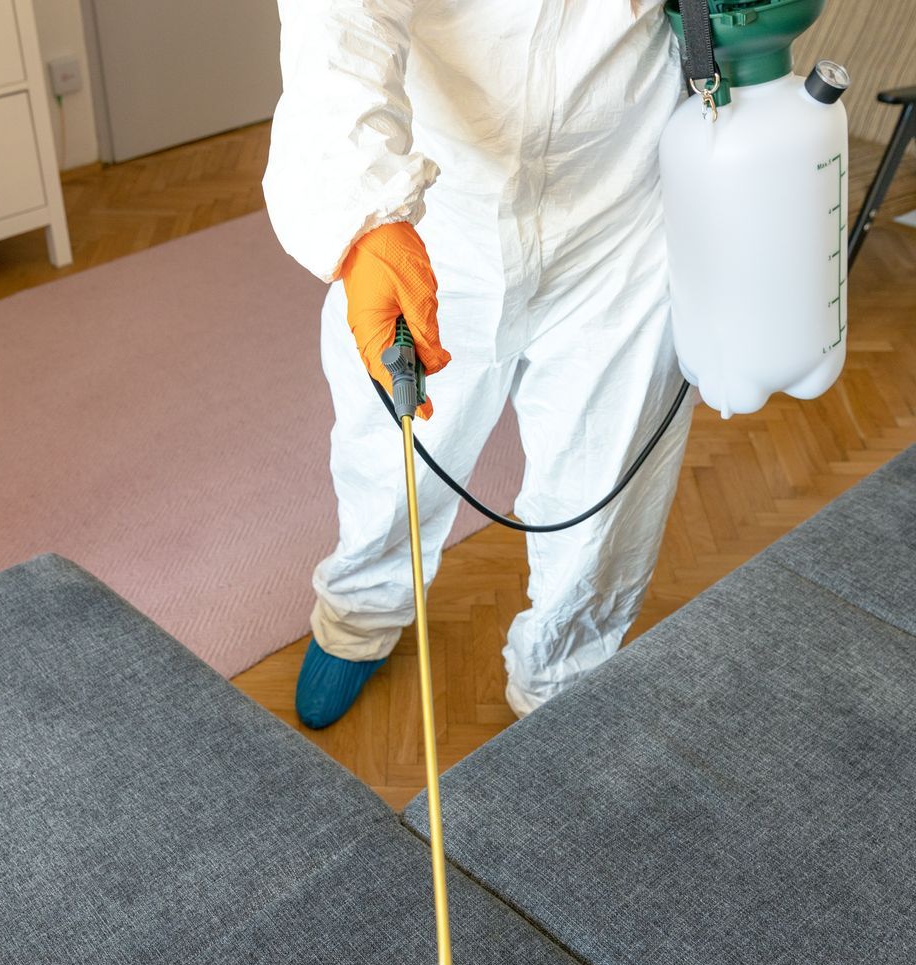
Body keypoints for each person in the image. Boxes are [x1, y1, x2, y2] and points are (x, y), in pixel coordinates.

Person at [265, 0, 689, 728]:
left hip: (623, 195)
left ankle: (563, 680)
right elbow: (342, 19)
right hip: (438, 210)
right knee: (391, 445)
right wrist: (367, 212)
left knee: (607, 478)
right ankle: (362, 613)